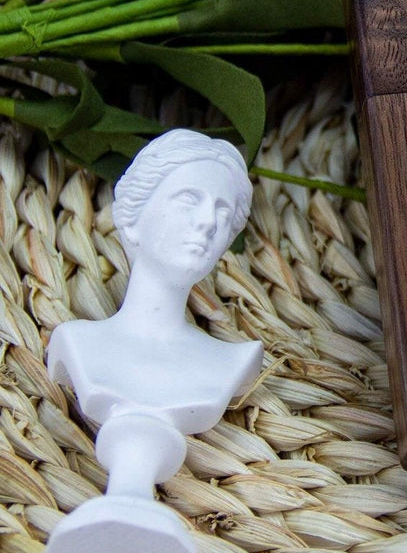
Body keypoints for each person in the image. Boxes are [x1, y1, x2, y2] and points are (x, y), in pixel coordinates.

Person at [47, 129, 262, 434]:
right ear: (133, 218)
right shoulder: (76, 345)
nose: (208, 222)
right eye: (189, 199)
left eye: (222, 210)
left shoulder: (233, 362)